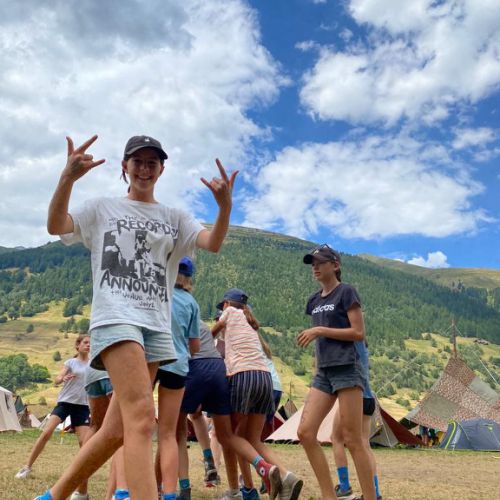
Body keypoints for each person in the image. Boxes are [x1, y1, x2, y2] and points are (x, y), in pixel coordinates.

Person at [34, 133, 237, 500]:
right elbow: (56, 224)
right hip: (116, 317)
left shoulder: (174, 217)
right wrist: (67, 178)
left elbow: (214, 242)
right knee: (143, 417)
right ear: (124, 167)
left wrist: (224, 208)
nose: (145, 168)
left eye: (152, 162)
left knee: (116, 431)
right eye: (138, 161)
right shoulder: (102, 208)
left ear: (161, 169)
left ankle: (54, 496)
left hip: (155, 326)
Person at [296, 244, 376, 500]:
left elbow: (358, 333)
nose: (315, 267)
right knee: (305, 433)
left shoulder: (346, 292)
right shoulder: (314, 300)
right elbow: (320, 342)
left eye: (320, 262)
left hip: (347, 368)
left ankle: (370, 496)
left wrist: (320, 331)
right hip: (324, 372)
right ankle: (329, 496)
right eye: (313, 264)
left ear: (335, 265)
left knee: (353, 439)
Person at [213, 288, 303, 500]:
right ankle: (286, 475)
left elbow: (211, 334)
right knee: (253, 439)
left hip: (243, 377)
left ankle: (261, 471)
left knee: (230, 435)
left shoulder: (230, 313)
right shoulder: (250, 324)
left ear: (227, 304)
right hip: (265, 380)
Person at [155, 256, 201, 500]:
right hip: (177, 364)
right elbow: (195, 346)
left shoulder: (158, 291)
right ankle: (170, 495)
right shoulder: (192, 303)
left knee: (137, 428)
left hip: (151, 358)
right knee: (168, 434)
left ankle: (129, 490)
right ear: (189, 278)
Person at [16, 335, 90, 481]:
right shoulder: (71, 362)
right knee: (46, 433)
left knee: (84, 442)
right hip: (65, 403)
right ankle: (27, 467)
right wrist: (62, 378)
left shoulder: (93, 364)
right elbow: (56, 380)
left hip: (82, 406)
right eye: (85, 342)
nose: (88, 345)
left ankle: (83, 473)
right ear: (78, 345)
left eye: (90, 343)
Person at [331, 341, 382, 500]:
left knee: (336, 439)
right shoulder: (363, 346)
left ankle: (344, 486)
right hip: (369, 398)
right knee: (365, 444)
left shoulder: (349, 342)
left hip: (354, 396)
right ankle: (375, 492)